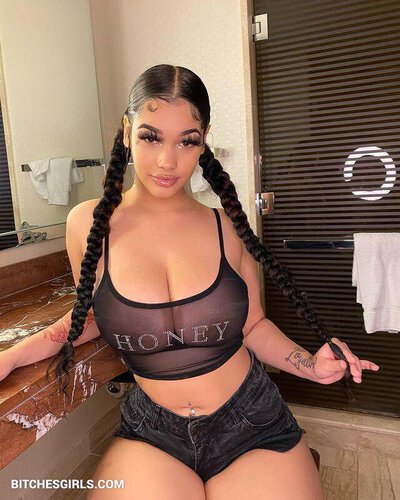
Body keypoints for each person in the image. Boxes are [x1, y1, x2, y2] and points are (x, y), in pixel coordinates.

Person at [2, 64, 380, 499]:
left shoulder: (225, 227)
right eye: (151, 137)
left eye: (187, 141)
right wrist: (11, 357)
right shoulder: (88, 223)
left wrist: (310, 365)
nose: (168, 161)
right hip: (154, 431)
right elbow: (89, 316)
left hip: (251, 421)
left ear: (204, 141)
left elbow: (253, 325)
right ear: (126, 132)